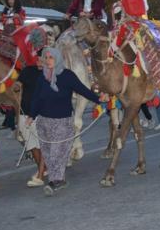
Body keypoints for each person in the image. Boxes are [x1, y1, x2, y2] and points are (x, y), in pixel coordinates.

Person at [27, 47, 109, 196]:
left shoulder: (67, 76)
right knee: (48, 153)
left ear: (58, 59)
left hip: (62, 122)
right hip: (43, 122)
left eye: (51, 57)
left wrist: (98, 99)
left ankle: (55, 181)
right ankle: (59, 178)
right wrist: (31, 115)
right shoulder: (42, 77)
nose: (48, 60)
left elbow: (83, 90)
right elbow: (36, 98)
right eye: (46, 58)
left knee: (57, 152)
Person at [17, 57, 46, 187]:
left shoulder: (52, 74)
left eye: (43, 59)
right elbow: (18, 85)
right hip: (24, 113)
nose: (39, 61)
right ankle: (44, 168)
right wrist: (15, 86)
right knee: (31, 144)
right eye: (38, 59)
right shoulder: (27, 71)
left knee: (44, 143)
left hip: (42, 114)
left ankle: (40, 175)